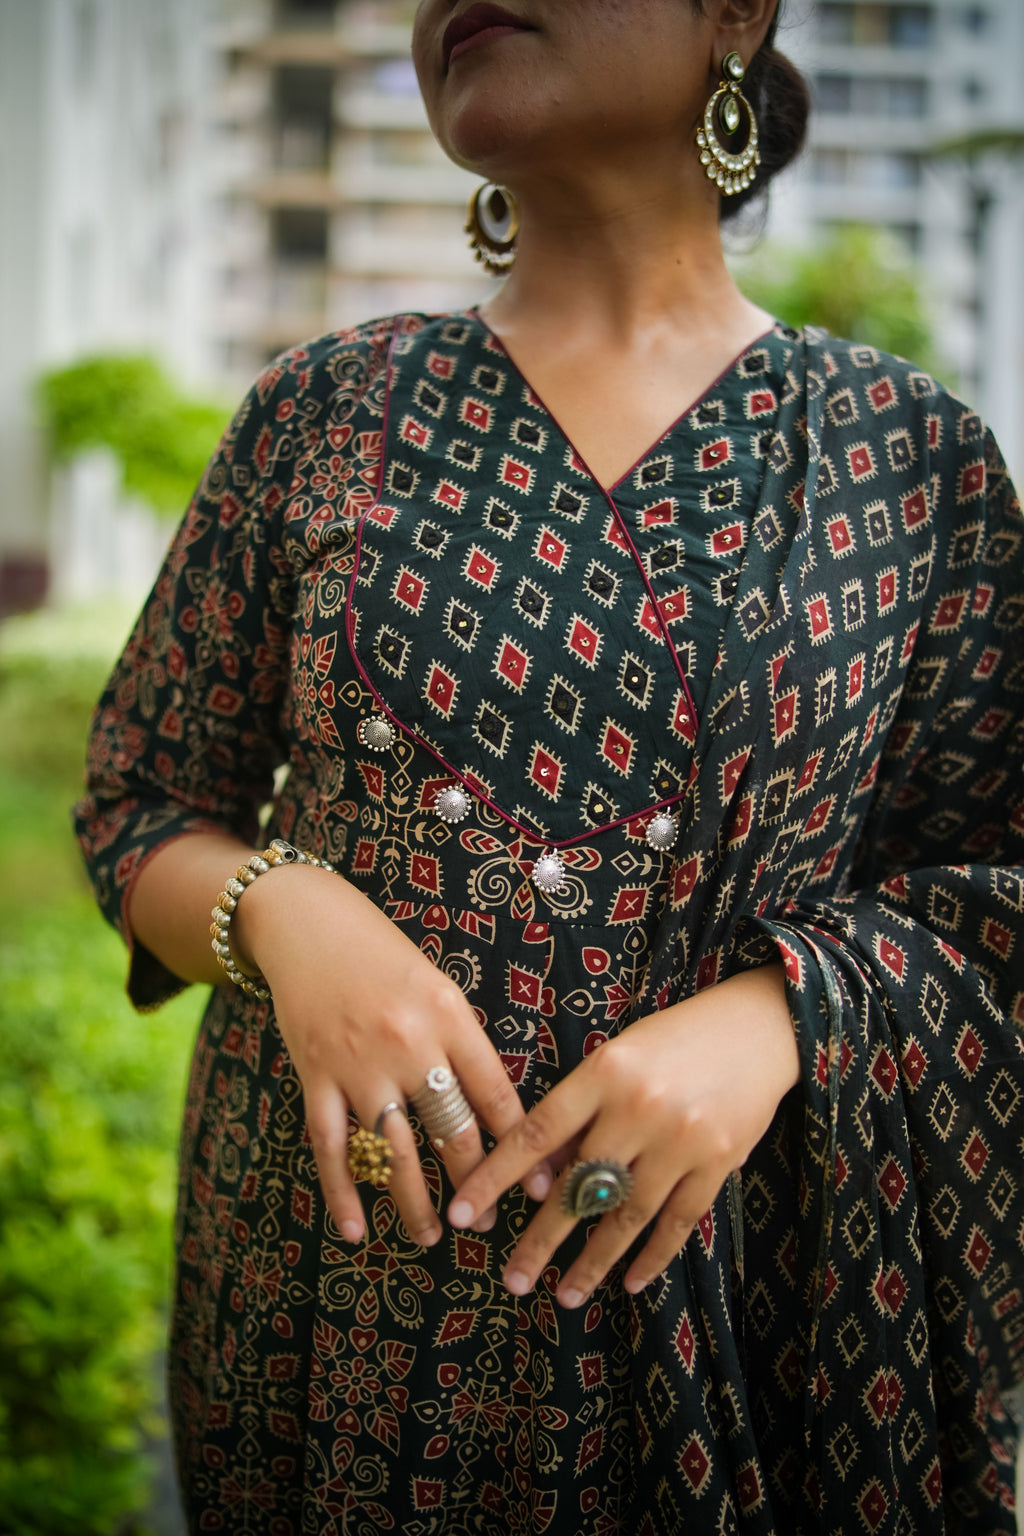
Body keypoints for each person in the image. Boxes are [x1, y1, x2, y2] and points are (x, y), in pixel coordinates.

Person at [74, 0, 1024, 1531]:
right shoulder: (325, 414)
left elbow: (999, 892)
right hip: (335, 1328)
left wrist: (783, 1017)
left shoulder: (908, 464)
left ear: (734, 15)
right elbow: (136, 806)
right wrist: (281, 907)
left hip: (747, 1322)